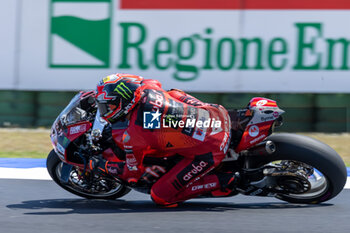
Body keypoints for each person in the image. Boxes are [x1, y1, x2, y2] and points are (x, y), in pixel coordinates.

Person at [90, 73, 237, 207]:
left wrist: (102, 165)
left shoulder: (134, 135)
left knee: (160, 196)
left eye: (107, 106)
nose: (105, 110)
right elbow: (151, 82)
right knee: (173, 93)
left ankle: (223, 181)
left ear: (123, 103)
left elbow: (132, 173)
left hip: (212, 146)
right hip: (216, 113)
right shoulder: (148, 87)